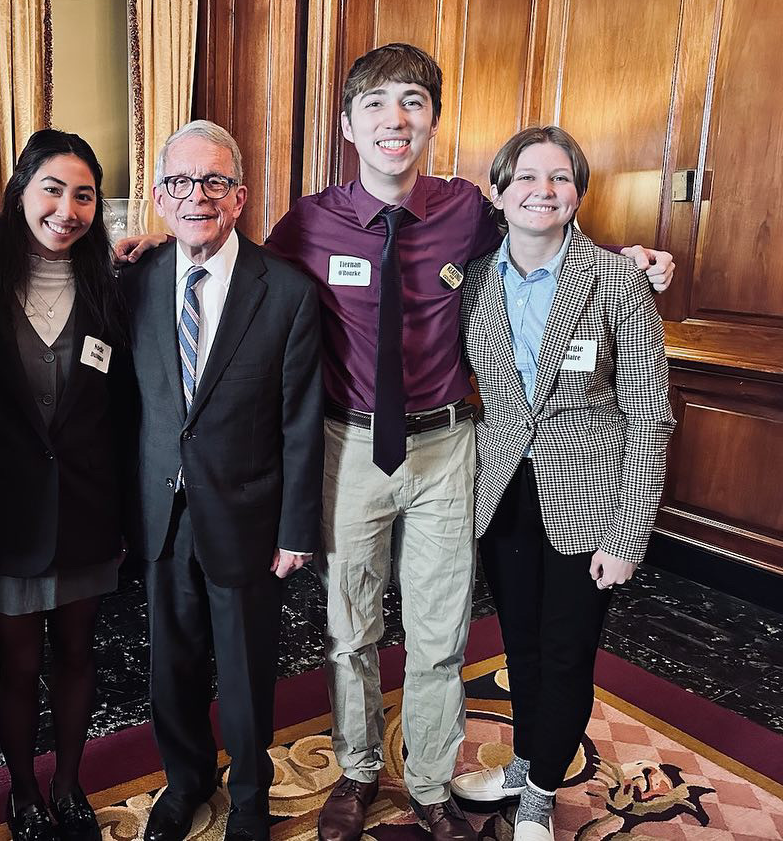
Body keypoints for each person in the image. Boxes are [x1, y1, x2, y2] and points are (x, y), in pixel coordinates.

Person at [117, 44, 675, 841]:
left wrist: (626, 258)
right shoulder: (308, 220)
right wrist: (151, 245)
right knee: (349, 629)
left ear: (431, 122)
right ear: (349, 124)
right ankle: (354, 771)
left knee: (442, 632)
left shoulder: (466, 210)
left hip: (448, 449)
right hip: (346, 448)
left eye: (412, 102)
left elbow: (545, 232)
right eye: (376, 104)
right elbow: (236, 276)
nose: (395, 119)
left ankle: (430, 781)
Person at [449, 126, 675, 840]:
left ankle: (541, 793)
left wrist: (627, 532)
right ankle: (523, 759)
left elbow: (649, 415)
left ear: (578, 193)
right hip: (503, 494)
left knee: (568, 648)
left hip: (592, 501)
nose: (542, 191)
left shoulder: (618, 280)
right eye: (526, 177)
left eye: (560, 178)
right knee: (519, 644)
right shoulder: (475, 278)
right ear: (499, 192)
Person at [120, 120, 324, 841]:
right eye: (180, 182)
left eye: (213, 182)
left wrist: (298, 529)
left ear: (239, 198)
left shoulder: (289, 292)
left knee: (243, 678)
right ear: (159, 197)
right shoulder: (136, 282)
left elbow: (301, 422)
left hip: (248, 520)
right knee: (169, 670)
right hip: (160, 517)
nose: (196, 196)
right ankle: (184, 782)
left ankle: (248, 801)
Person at [0, 130, 129, 841]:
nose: (67, 208)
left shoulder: (111, 287)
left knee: (79, 657)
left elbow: (124, 407)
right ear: (22, 192)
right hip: (5, 517)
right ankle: (23, 790)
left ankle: (69, 780)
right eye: (52, 189)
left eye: (83, 194)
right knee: (18, 666)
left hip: (87, 510)